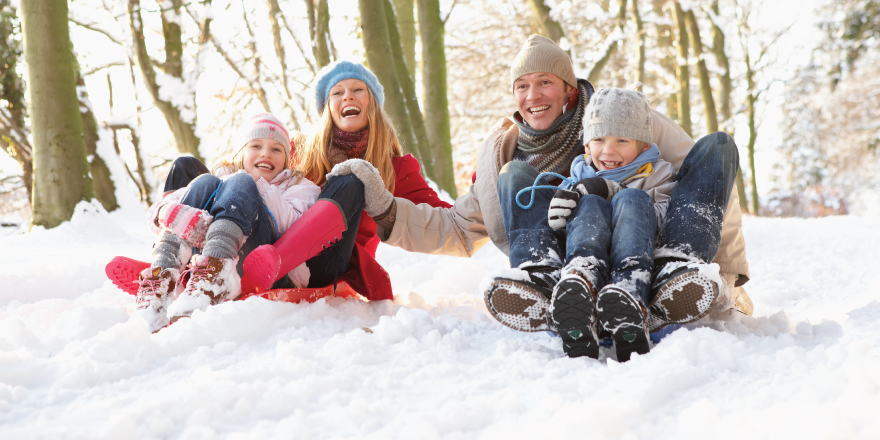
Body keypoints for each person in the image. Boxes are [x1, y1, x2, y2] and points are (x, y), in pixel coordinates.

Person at [329, 35, 751, 338]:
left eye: (545, 82)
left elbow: (707, 186)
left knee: (715, 147)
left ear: (568, 90)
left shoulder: (624, 119)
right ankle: (546, 283)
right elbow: (456, 229)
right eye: (522, 85)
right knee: (516, 177)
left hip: (643, 247)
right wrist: (384, 206)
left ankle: (675, 276)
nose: (534, 95)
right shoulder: (501, 154)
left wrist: (727, 276)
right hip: (569, 266)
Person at [241, 61, 452, 301]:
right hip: (270, 246)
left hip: (329, 264)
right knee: (192, 168)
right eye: (337, 92)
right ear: (328, 108)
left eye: (357, 90)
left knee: (353, 175)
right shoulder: (298, 150)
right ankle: (207, 264)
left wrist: (486, 190)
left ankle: (273, 264)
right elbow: (251, 172)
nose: (347, 96)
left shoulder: (396, 169)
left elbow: (444, 221)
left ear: (372, 102)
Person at [131, 113, 321, 332]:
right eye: (256, 146)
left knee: (240, 182)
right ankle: (160, 284)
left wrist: (252, 183)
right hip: (207, 261)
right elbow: (165, 208)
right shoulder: (221, 179)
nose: (266, 153)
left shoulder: (297, 186)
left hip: (269, 264)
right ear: (241, 153)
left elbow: (293, 225)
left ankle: (215, 277)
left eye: (276, 149)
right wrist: (166, 211)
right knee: (204, 182)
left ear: (287, 159)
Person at [527, 87, 676, 361]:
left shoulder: (659, 173)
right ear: (586, 145)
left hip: (634, 262)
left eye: (622, 140)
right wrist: (560, 217)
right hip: (588, 260)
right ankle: (580, 289)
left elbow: (665, 219)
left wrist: (613, 190)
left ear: (643, 145)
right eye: (598, 139)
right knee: (590, 203)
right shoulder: (577, 178)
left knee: (632, 198)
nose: (608, 151)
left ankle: (628, 296)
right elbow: (564, 231)